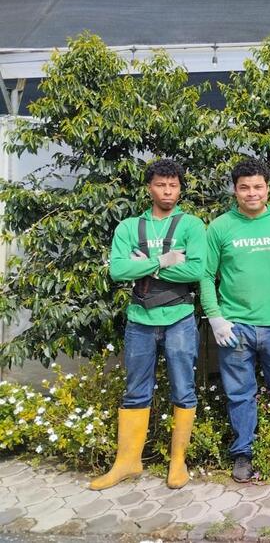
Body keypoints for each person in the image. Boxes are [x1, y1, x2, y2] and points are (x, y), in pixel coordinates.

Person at [91, 159, 206, 491]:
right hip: (139, 319)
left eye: (173, 185)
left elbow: (195, 271)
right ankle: (127, 462)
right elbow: (117, 271)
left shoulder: (191, 225)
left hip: (180, 318)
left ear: (180, 188)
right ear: (149, 188)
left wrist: (144, 266)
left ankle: (178, 463)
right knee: (135, 391)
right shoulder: (128, 227)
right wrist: (165, 261)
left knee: (183, 388)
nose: (167, 191)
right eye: (160, 184)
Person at [200, 158, 270, 483]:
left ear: (268, 188)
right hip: (235, 329)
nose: (251, 193)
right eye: (244, 187)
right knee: (240, 394)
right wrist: (215, 318)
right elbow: (205, 275)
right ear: (235, 190)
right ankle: (244, 452)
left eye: (258, 186)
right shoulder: (219, 227)